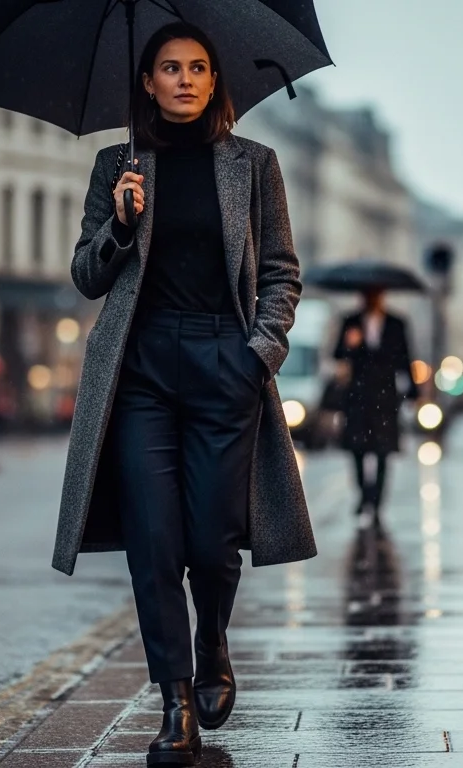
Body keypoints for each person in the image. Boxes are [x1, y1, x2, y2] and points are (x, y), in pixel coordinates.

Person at [52, 22, 313, 767]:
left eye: (198, 67)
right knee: (156, 545)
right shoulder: (116, 165)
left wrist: (255, 356)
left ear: (214, 81)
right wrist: (122, 226)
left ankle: (214, 641)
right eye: (170, 68)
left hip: (221, 365)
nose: (186, 79)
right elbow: (87, 275)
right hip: (140, 373)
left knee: (210, 540)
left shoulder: (254, 166)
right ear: (147, 82)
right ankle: (174, 700)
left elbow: (282, 273)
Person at [334, 288, 419, 523]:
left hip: (384, 397)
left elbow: (406, 357)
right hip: (358, 397)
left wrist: (413, 391)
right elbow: (338, 355)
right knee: (357, 450)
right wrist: (350, 344)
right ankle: (364, 495)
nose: (371, 299)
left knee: (383, 451)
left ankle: (376, 503)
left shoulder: (396, 324)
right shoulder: (350, 322)